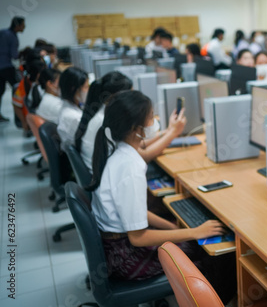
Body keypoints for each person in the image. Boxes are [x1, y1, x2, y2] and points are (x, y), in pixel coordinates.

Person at [86, 90, 235, 303]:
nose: (155, 121)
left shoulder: (120, 153)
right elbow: (138, 238)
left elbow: (135, 212)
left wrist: (172, 227)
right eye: (151, 117)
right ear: (136, 129)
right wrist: (194, 232)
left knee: (195, 238)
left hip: (115, 247)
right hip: (126, 258)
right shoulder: (131, 166)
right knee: (219, 254)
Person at [75, 71, 133, 171]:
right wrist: (169, 133)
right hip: (104, 177)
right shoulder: (104, 121)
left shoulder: (98, 111)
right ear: (114, 97)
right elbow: (140, 154)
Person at [0, 16, 25, 123]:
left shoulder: (3, 32)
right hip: (6, 67)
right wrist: (23, 53)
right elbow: (14, 55)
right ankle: (23, 118)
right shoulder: (12, 37)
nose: (24, 27)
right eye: (23, 25)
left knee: (0, 91)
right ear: (18, 25)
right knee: (18, 90)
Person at [57, 67, 89, 145]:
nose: (88, 90)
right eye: (86, 87)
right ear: (73, 89)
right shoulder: (74, 118)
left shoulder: (68, 106)